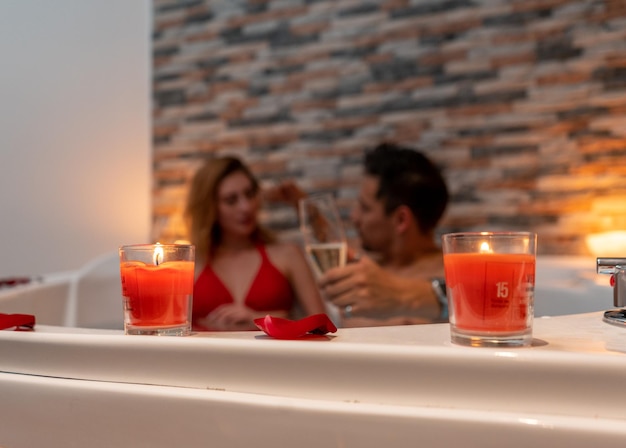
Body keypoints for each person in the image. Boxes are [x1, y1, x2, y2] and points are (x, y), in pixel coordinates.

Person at [268, 142, 450, 327]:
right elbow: (327, 240)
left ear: (401, 220)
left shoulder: (453, 282)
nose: (354, 216)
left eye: (365, 208)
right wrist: (303, 205)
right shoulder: (363, 268)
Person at [184, 156, 327, 331]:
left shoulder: (287, 255)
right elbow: (168, 328)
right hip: (204, 358)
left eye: (250, 194)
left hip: (274, 358)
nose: (246, 207)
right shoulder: (190, 264)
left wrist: (258, 319)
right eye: (231, 200)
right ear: (209, 207)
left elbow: (321, 326)